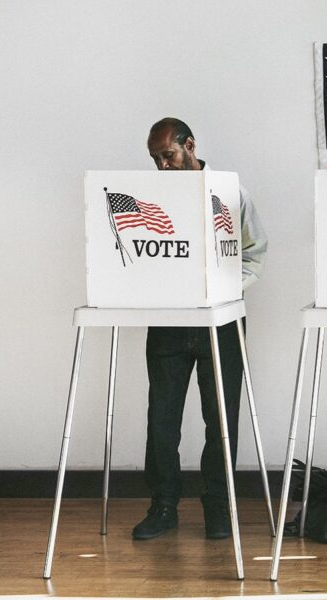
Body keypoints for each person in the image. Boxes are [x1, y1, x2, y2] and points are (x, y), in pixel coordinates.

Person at [132, 117, 267, 540]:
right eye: (156, 160)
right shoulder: (152, 197)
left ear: (190, 145)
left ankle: (218, 508)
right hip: (170, 320)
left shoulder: (230, 193)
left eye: (168, 156)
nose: (162, 167)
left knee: (221, 419)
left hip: (222, 319)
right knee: (162, 419)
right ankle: (164, 506)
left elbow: (255, 253)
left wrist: (223, 288)